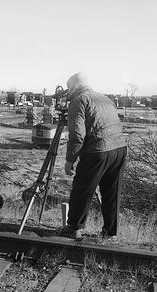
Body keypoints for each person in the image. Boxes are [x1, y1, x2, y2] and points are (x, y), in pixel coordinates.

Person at [60, 72, 127, 239]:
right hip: (119, 149)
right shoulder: (104, 98)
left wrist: (70, 160)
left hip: (97, 150)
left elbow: (77, 135)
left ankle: (73, 227)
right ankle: (110, 232)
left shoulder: (79, 100)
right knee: (111, 193)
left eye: (69, 88)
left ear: (74, 86)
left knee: (82, 189)